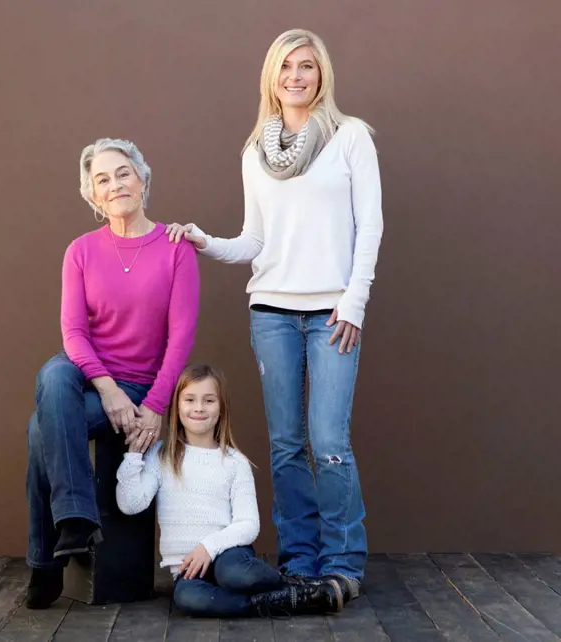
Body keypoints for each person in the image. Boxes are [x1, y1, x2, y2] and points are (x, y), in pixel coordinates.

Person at [166, 28, 383, 605]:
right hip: (272, 311)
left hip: (334, 311)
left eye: (306, 66)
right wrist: (205, 241)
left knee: (329, 441)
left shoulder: (350, 137)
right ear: (271, 75)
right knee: (287, 444)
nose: (296, 75)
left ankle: (342, 563)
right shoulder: (254, 152)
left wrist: (354, 299)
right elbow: (255, 240)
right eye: (286, 66)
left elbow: (371, 225)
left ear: (322, 74)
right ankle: (300, 560)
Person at [25, 137, 200, 609]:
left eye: (123, 173)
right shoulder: (80, 250)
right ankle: (77, 520)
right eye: (103, 179)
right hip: (87, 373)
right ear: (94, 196)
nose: (115, 184)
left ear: (142, 179)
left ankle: (47, 558)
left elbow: (181, 337)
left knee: (39, 427)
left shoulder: (175, 247)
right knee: (55, 375)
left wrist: (154, 406)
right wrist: (107, 391)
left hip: (140, 381)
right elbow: (73, 332)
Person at [116, 364, 346, 617]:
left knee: (235, 575)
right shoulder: (162, 456)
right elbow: (131, 503)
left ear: (221, 408)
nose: (199, 408)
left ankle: (290, 585)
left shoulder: (235, 462)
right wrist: (133, 456)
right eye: (189, 400)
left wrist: (208, 547)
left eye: (209, 400)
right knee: (187, 598)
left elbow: (248, 524)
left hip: (228, 554)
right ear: (176, 407)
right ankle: (282, 600)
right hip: (188, 569)